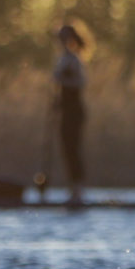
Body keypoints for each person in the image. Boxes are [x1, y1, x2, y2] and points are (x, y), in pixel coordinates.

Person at [51, 23, 90, 207]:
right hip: (67, 109)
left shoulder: (73, 59)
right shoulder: (64, 58)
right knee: (67, 149)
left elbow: (79, 83)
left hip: (74, 110)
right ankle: (72, 189)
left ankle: (78, 191)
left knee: (73, 149)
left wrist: (63, 79)